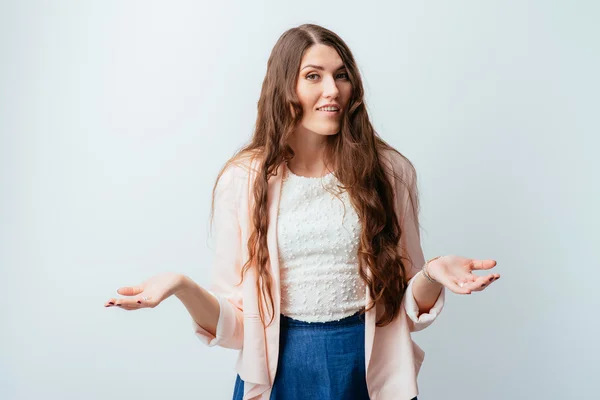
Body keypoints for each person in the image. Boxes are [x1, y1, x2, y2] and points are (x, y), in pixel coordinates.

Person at [104, 23, 500, 400]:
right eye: (313, 76)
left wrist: (431, 274)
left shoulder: (390, 172)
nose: (333, 90)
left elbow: (404, 303)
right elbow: (237, 326)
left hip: (365, 367)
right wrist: (180, 286)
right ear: (284, 87)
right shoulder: (243, 180)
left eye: (341, 75)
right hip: (281, 372)